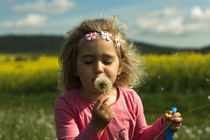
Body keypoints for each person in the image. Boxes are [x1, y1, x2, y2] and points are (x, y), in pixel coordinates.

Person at [54, 16, 183, 140]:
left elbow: (140, 137)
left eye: (107, 61)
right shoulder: (66, 105)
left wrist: (162, 126)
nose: (99, 68)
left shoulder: (131, 99)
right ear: (75, 68)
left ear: (120, 66)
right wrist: (96, 127)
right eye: (88, 62)